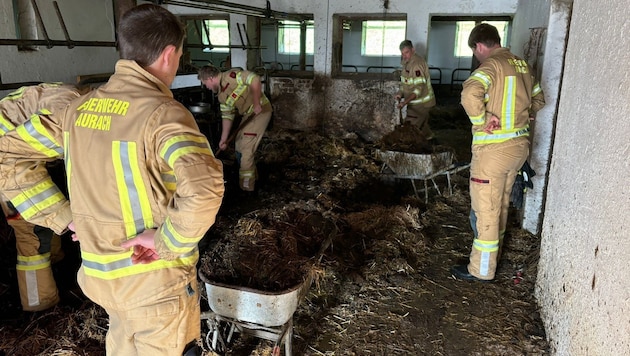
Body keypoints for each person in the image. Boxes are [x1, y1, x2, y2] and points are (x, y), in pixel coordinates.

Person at [0, 4, 225, 355]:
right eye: (179, 56)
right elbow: (205, 187)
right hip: (155, 286)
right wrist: (167, 241)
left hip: (102, 280)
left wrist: (63, 217)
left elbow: (7, 155)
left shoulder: (77, 110)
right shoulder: (163, 114)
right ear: (169, 55)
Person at [451, 23, 545, 282]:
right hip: (518, 148)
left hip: (493, 152)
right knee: (501, 205)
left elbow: (469, 93)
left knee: (486, 210)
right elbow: (538, 99)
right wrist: (524, 115)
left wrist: (482, 120)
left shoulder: (491, 66)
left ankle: (481, 270)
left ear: (479, 46)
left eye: (475, 51)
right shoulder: (522, 66)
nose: (477, 56)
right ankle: (493, 258)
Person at [0, 83, 86, 312]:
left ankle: (60, 272)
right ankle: (41, 309)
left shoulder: (85, 104)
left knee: (49, 230)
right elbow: (10, 165)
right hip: (7, 170)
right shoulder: (66, 119)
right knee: (33, 238)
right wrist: (68, 219)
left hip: (28, 159)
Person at [198, 65, 272, 192]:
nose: (207, 87)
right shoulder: (221, 96)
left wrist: (256, 102)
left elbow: (255, 79)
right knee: (238, 145)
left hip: (261, 111)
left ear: (210, 78)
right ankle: (254, 177)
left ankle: (247, 189)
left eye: (206, 84)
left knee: (246, 148)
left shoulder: (231, 76)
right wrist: (224, 140)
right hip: (249, 115)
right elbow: (227, 116)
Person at [394, 40, 436, 140]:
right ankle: (430, 141)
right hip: (414, 103)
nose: (404, 56)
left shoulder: (417, 64)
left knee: (410, 127)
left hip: (422, 103)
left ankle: (411, 148)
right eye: (402, 53)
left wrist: (405, 102)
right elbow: (405, 84)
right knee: (422, 127)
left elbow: (418, 89)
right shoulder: (406, 63)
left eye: (407, 52)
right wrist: (400, 93)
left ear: (413, 50)